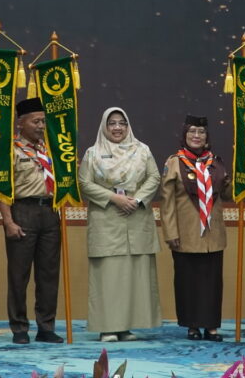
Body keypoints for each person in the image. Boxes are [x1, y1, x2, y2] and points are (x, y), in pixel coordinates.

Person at [79, 107, 162, 342]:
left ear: (128, 126)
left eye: (122, 123)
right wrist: (114, 198)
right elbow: (84, 182)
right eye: (112, 123)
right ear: (104, 126)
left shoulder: (142, 150)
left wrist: (136, 200)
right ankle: (108, 328)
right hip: (107, 219)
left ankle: (125, 327)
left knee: (133, 275)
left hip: (136, 217)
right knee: (109, 276)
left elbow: (154, 177)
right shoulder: (93, 153)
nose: (117, 128)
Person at [159, 115, 230, 341]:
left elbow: (227, 195)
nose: (196, 136)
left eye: (201, 132)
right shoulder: (174, 162)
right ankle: (192, 326)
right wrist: (170, 232)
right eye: (192, 132)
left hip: (212, 233)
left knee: (212, 282)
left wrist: (235, 178)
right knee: (188, 281)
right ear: (185, 135)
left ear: (207, 137)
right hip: (186, 232)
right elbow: (167, 202)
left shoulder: (216, 162)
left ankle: (211, 326)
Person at [0, 98, 64, 344]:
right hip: (22, 211)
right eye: (36, 121)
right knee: (19, 275)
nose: (40, 126)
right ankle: (19, 328)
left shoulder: (51, 149)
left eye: (43, 122)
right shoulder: (11, 149)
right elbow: (3, 190)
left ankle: (46, 327)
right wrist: (8, 221)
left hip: (49, 212)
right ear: (21, 123)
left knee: (48, 274)